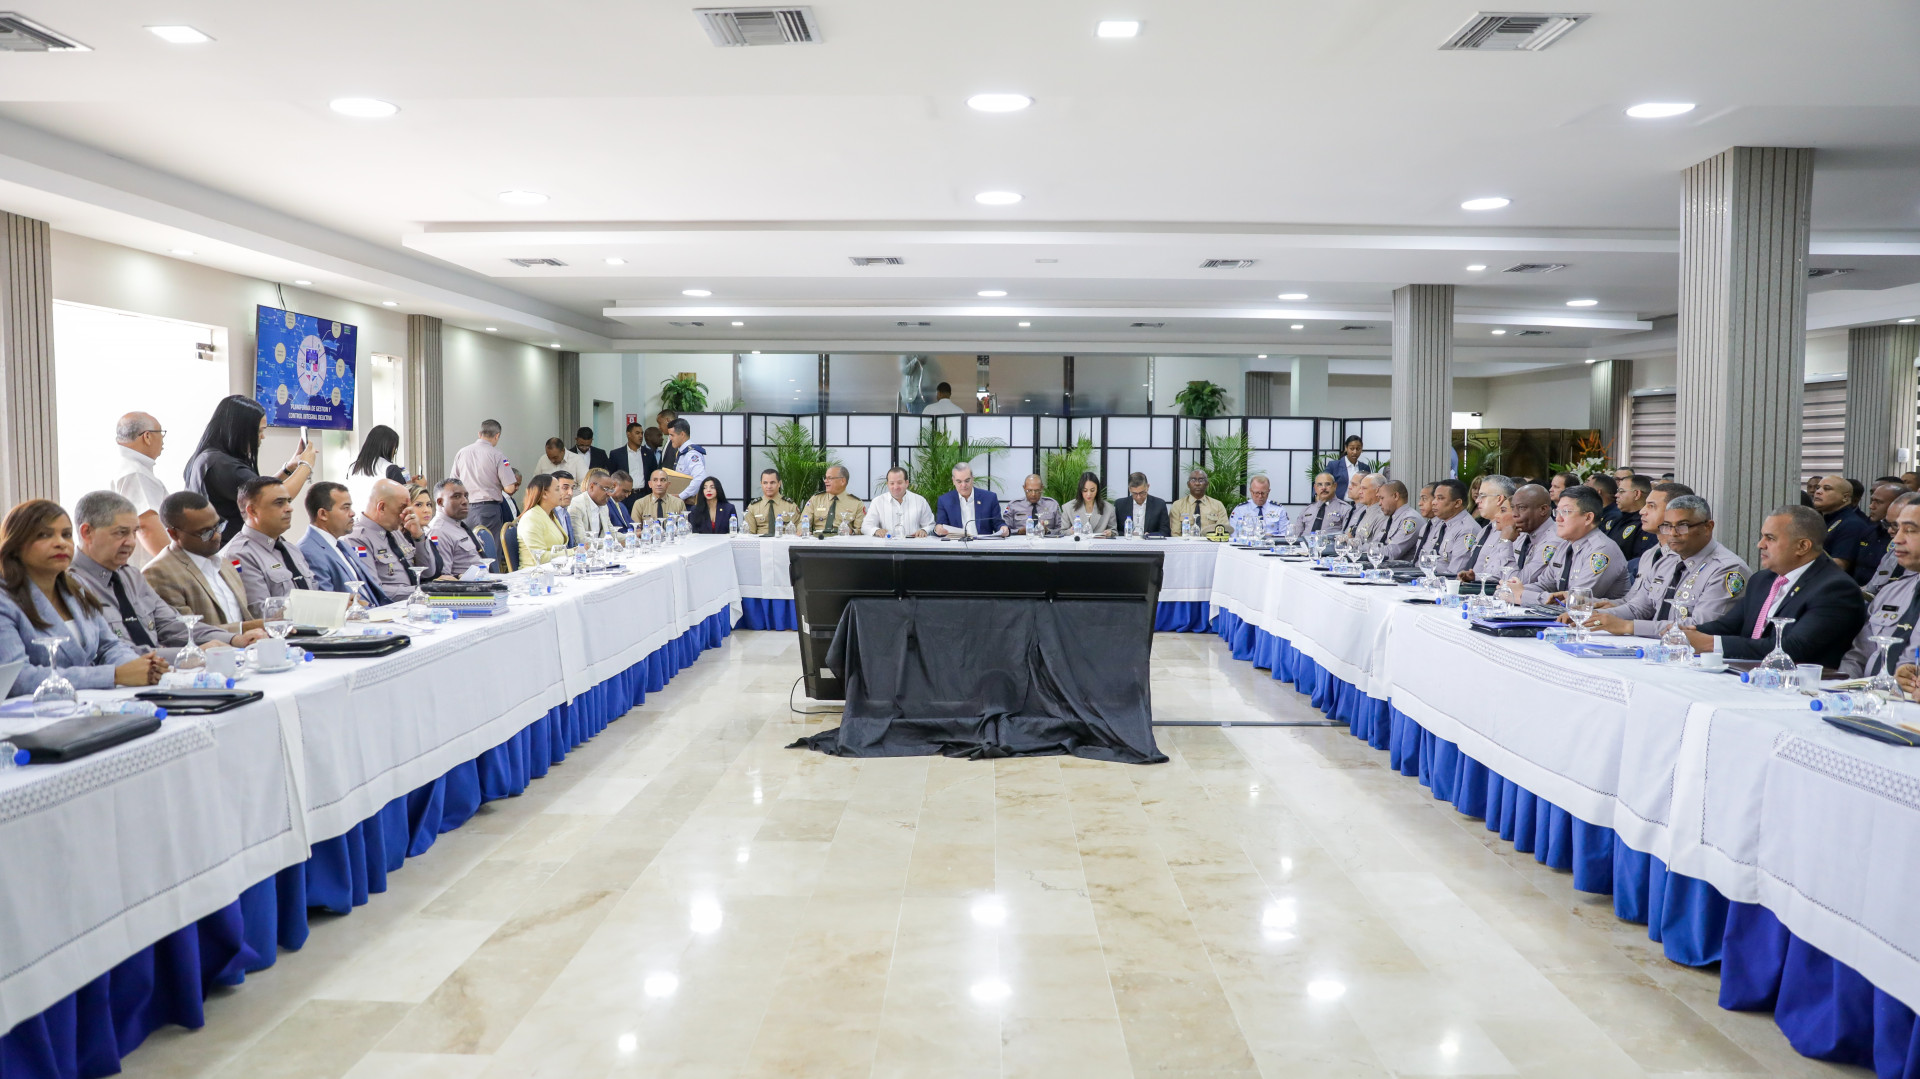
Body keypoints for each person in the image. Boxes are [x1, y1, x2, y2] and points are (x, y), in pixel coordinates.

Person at [0, 499, 166, 694]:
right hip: (36, 708)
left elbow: (109, 646)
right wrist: (113, 675)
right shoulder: (5, 600)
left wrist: (141, 667)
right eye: (44, 535)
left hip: (91, 701)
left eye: (66, 534)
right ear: (15, 544)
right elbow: (17, 679)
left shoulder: (76, 588)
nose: (60, 543)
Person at [69, 490, 249, 661]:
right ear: (87, 533)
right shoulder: (71, 585)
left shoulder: (132, 576)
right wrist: (188, 654)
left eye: (134, 532)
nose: (131, 542)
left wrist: (233, 639)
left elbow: (173, 625)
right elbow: (111, 652)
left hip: (162, 672)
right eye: (121, 533)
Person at [1685, 504, 1866, 667]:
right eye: (1762, 536)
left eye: (1770, 538)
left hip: (1801, 683)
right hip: (1748, 673)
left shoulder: (1835, 589)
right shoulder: (1762, 580)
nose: (1760, 545)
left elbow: (1795, 647)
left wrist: (1711, 644)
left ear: (1802, 546)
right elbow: (1728, 626)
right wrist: (1683, 633)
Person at [1581, 495, 1749, 638]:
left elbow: (1699, 627)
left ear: (1708, 527)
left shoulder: (1727, 569)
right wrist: (1591, 616)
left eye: (1683, 526)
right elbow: (1638, 608)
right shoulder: (1667, 560)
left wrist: (1628, 626)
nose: (1673, 533)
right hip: (1655, 648)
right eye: (1667, 526)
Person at [185, 394, 315, 543]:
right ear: (240, 430)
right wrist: (306, 465)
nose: (262, 437)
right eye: (259, 431)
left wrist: (289, 468)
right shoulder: (224, 466)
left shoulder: (207, 458)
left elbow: (256, 488)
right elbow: (272, 497)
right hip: (231, 548)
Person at [144, 491, 265, 637]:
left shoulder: (225, 563)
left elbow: (245, 616)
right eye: (205, 532)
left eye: (218, 526)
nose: (216, 535)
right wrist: (248, 628)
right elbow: (184, 632)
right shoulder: (159, 573)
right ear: (174, 534)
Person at [1506, 484, 1628, 605]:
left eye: (1565, 512)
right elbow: (1545, 584)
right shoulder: (1565, 545)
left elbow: (1577, 600)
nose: (1558, 519)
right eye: (1557, 512)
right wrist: (1512, 590)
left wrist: (1523, 595)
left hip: (1591, 617)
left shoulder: (1601, 550)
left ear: (1588, 518)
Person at [1840, 500, 1920, 676]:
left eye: (1910, 530)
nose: (1897, 539)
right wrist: (1843, 685)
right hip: (1867, 690)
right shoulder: (1891, 592)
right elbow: (1858, 656)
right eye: (1897, 528)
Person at [219, 477, 315, 616]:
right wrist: (317, 610)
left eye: (288, 501)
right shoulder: (239, 555)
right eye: (279, 503)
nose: (289, 508)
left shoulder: (290, 549)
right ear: (252, 511)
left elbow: (315, 593)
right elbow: (261, 613)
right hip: (281, 629)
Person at [299, 480, 390, 605]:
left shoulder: (341, 545)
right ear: (323, 514)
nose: (352, 513)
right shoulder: (309, 551)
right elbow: (327, 605)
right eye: (345, 508)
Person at [346, 478, 424, 597]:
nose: (407, 514)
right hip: (390, 606)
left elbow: (429, 572)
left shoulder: (395, 532)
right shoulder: (358, 538)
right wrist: (420, 591)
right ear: (381, 507)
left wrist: (418, 536)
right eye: (402, 508)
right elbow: (373, 590)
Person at [111, 411, 171, 563]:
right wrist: (177, 566)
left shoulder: (127, 467)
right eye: (161, 433)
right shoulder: (136, 473)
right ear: (147, 436)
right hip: (147, 567)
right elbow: (146, 526)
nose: (163, 439)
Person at [450, 419, 519, 535]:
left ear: (479, 434)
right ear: (497, 436)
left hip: (464, 509)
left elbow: (453, 483)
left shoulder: (462, 452)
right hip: (488, 511)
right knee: (489, 544)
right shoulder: (499, 456)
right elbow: (510, 488)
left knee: (468, 543)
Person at [419, 479, 490, 577]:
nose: (465, 501)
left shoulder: (457, 525)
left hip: (484, 580)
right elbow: (443, 578)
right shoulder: (438, 532)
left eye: (466, 496)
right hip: (469, 585)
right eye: (456, 496)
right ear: (440, 502)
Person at [1809, 474, 1876, 577]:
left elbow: (1839, 565)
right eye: (1818, 488)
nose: (1818, 492)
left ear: (1845, 497)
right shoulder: (1823, 520)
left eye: (1827, 489)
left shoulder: (1852, 524)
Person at [1453, 475, 1515, 581]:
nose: (1477, 500)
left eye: (1483, 496)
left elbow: (1506, 575)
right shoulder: (1485, 530)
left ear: (1499, 499)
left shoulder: (1511, 532)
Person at [1862, 490, 1920, 596]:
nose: (1889, 530)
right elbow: (1871, 590)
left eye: (1895, 525)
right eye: (1888, 524)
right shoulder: (1893, 554)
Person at [1419, 479, 1478, 574]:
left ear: (1457, 503)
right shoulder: (1440, 524)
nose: (1434, 502)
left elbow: (1455, 573)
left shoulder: (1467, 529)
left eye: (1440, 498)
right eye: (1434, 497)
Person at [345, 424, 407, 513]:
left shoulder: (353, 467)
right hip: (382, 519)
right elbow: (404, 500)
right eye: (395, 448)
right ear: (389, 447)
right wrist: (417, 486)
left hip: (356, 517)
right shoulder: (389, 468)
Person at [1857, 481, 1908, 587]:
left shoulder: (1905, 543)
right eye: (1872, 501)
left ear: (1896, 505)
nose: (1871, 506)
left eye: (1878, 502)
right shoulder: (1869, 531)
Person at [935, 464, 1007, 536]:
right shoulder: (944, 500)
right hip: (956, 542)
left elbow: (998, 523)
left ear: (972, 479)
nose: (963, 485)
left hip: (982, 542)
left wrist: (1003, 528)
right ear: (953, 481)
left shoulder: (989, 498)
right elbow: (941, 525)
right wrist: (938, 529)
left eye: (967, 481)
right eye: (959, 482)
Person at [515, 474, 570, 566]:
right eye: (557, 489)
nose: (561, 493)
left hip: (553, 568)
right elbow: (541, 557)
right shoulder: (531, 518)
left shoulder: (550, 515)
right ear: (544, 494)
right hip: (533, 572)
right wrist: (573, 552)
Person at [866, 467, 935, 537]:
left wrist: (924, 530)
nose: (896, 487)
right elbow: (866, 526)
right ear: (887, 484)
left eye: (899, 483)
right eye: (892, 483)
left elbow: (931, 525)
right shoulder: (877, 502)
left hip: (913, 542)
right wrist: (876, 530)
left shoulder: (920, 501)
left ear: (906, 483)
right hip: (887, 542)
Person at [801, 465, 867, 535]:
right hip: (819, 538)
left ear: (842, 481)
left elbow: (861, 530)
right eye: (825, 478)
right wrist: (803, 531)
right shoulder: (816, 499)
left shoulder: (857, 503)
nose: (825, 481)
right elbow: (803, 521)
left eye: (830, 478)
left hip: (843, 539)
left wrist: (852, 531)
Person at [1285, 472, 1352, 538]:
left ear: (1335, 486)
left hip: (1330, 544)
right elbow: (1296, 536)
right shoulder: (1306, 510)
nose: (1323, 488)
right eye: (1320, 484)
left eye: (1327, 484)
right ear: (1315, 487)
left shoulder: (1345, 509)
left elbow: (1347, 536)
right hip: (1304, 544)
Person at [1170, 469, 1230, 537]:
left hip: (1210, 542)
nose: (1197, 483)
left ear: (1207, 484)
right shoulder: (1177, 505)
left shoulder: (1218, 505)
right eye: (1193, 480)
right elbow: (1175, 534)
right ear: (1188, 484)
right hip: (1185, 542)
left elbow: (1223, 531)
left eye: (1201, 480)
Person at [1374, 480, 1422, 560]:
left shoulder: (1410, 520)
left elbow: (1391, 553)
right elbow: (1376, 543)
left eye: (1382, 498)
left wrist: (1368, 550)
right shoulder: (1391, 518)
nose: (1379, 503)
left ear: (1396, 496)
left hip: (1400, 566)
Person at [607, 423, 655, 500]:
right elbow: (611, 475)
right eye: (637, 433)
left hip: (644, 495)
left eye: (642, 433)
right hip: (624, 497)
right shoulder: (616, 454)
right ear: (628, 434)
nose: (641, 436)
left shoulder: (649, 454)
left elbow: (653, 474)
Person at [1113, 472, 1170, 537]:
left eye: (1142, 493)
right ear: (1129, 489)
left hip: (1150, 542)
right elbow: (1115, 530)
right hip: (1127, 541)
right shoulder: (1120, 505)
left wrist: (1150, 535)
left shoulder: (1159, 504)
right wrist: (1128, 534)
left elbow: (1165, 531)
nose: (1138, 497)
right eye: (1135, 493)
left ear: (1148, 487)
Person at [743, 469, 799, 535]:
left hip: (783, 540)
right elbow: (749, 533)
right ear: (761, 484)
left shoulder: (790, 506)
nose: (769, 486)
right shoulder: (753, 507)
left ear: (779, 484)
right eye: (765, 483)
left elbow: (798, 531)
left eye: (772, 483)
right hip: (761, 540)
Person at [569, 468, 617, 542]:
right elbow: (580, 540)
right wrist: (608, 543)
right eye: (606, 489)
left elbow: (612, 533)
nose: (609, 494)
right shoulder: (576, 505)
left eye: (611, 490)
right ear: (592, 487)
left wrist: (631, 536)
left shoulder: (604, 506)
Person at [1064, 472, 1117, 537]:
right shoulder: (1068, 507)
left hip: (1100, 542)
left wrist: (1110, 533)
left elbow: (1114, 531)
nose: (1089, 494)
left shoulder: (1109, 508)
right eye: (1085, 490)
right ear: (1080, 490)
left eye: (1092, 490)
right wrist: (1071, 531)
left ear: (1097, 490)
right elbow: (1062, 532)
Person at [1346, 474, 1387, 543]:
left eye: (1364, 488)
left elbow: (1377, 546)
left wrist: (1353, 543)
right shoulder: (1364, 512)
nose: (1360, 492)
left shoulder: (1382, 515)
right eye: (1360, 488)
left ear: (1377, 491)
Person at [665, 419, 707, 485]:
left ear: (682, 434)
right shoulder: (681, 452)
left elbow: (700, 478)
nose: (670, 438)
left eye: (672, 435)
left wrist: (683, 492)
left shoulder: (691, 454)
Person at [1326, 435, 1368, 500]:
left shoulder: (1365, 468)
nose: (1355, 452)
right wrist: (1316, 496)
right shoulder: (1334, 465)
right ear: (1346, 448)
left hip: (1359, 504)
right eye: (1352, 449)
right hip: (1339, 503)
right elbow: (1322, 481)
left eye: (1358, 449)